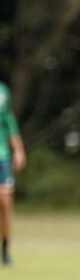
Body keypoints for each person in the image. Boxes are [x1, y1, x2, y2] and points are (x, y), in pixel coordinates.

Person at [0, 81, 26, 267]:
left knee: (5, 203)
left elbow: (8, 120)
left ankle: (5, 251)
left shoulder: (2, 91)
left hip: (2, 157)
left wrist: (18, 149)